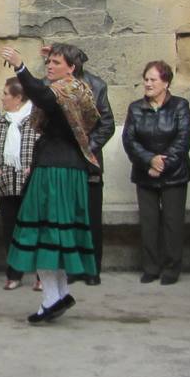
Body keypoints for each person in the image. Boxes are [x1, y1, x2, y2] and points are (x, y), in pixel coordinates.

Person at [0, 45, 100, 324]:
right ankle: (59, 294)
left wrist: (21, 66)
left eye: (56, 62)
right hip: (61, 167)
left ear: (71, 68)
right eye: (49, 61)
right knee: (53, 233)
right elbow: (47, 94)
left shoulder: (68, 89)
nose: (50, 66)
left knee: (42, 232)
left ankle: (51, 299)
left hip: (57, 170)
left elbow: (42, 95)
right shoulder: (74, 88)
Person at [123, 60, 190, 285]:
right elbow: (129, 139)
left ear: (166, 83)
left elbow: (183, 138)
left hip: (175, 174)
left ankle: (172, 268)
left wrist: (163, 164)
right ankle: (151, 267)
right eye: (146, 79)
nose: (148, 83)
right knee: (149, 223)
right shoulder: (135, 108)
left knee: (173, 223)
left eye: (153, 79)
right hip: (145, 174)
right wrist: (149, 161)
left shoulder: (180, 105)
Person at [0, 77, 39, 291]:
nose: (2, 98)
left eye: (6, 94)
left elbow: (43, 147)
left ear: (18, 97)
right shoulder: (1, 121)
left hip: (30, 184)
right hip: (6, 184)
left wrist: (35, 167)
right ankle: (14, 273)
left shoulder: (36, 119)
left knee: (34, 228)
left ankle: (42, 274)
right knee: (10, 231)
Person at [76, 46, 115, 285]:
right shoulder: (54, 84)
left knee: (91, 218)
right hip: (65, 162)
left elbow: (107, 123)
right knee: (69, 218)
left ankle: (92, 270)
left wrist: (87, 147)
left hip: (89, 163)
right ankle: (73, 267)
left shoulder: (96, 85)